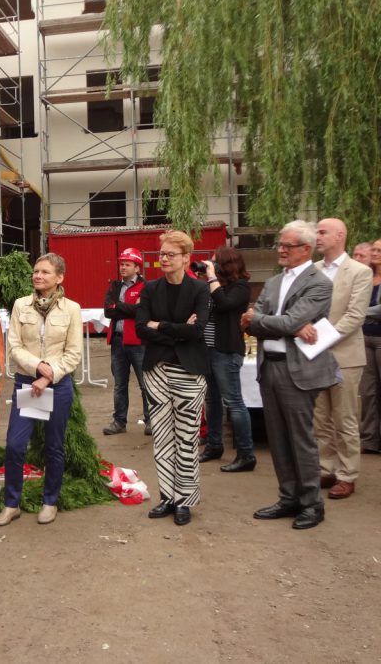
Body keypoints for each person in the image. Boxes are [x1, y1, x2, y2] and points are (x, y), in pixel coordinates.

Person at [242, 220, 337, 530]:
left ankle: (312, 504)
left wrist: (273, 320)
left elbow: (275, 320)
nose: (281, 249)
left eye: (287, 245)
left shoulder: (319, 282)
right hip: (269, 366)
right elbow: (250, 324)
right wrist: (287, 324)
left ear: (305, 249)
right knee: (278, 438)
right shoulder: (272, 282)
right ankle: (288, 498)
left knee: (300, 439)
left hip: (298, 371)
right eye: (280, 244)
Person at [0, 253, 82, 526]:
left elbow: (74, 352)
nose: (38, 276)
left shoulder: (71, 309)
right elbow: (14, 347)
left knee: (54, 446)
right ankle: (12, 504)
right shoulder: (22, 305)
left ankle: (50, 501)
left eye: (45, 272)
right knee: (15, 445)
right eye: (36, 271)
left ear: (59, 278)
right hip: (28, 385)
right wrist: (38, 368)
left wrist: (49, 376)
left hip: (56, 386)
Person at [135, 230, 209, 527]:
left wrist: (161, 325)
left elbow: (198, 330)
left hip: (189, 372)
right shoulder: (150, 289)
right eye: (161, 254)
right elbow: (141, 328)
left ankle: (185, 500)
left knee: (187, 437)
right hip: (156, 370)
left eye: (170, 255)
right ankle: (167, 496)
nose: (163, 259)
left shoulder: (199, 290)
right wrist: (178, 327)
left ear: (186, 259)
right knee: (163, 437)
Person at [311, 218, 371, 499]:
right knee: (320, 417)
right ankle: (326, 468)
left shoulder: (360, 271)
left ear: (340, 236)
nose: (317, 236)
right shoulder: (313, 270)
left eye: (322, 232)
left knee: (345, 417)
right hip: (315, 355)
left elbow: (355, 316)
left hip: (345, 355)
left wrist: (320, 337)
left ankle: (348, 474)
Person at [197, 246, 256, 471]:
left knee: (234, 402)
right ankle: (214, 445)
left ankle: (246, 454)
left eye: (215, 263)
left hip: (227, 351)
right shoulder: (212, 287)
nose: (211, 267)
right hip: (208, 350)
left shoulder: (240, 287)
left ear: (227, 265)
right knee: (212, 401)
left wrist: (212, 278)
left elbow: (224, 304)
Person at [102, 247, 151, 436]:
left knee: (145, 384)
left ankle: (150, 421)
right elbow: (108, 310)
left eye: (127, 264)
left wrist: (119, 307)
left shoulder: (145, 287)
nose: (122, 267)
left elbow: (143, 310)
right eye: (121, 264)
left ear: (137, 268)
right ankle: (119, 421)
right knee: (119, 385)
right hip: (117, 342)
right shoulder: (114, 286)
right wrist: (130, 307)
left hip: (138, 342)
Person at [359, 239, 381, 453]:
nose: (374, 253)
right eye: (373, 249)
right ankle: (369, 439)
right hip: (363, 338)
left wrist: (360, 312)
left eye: (379, 250)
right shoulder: (365, 276)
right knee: (368, 391)